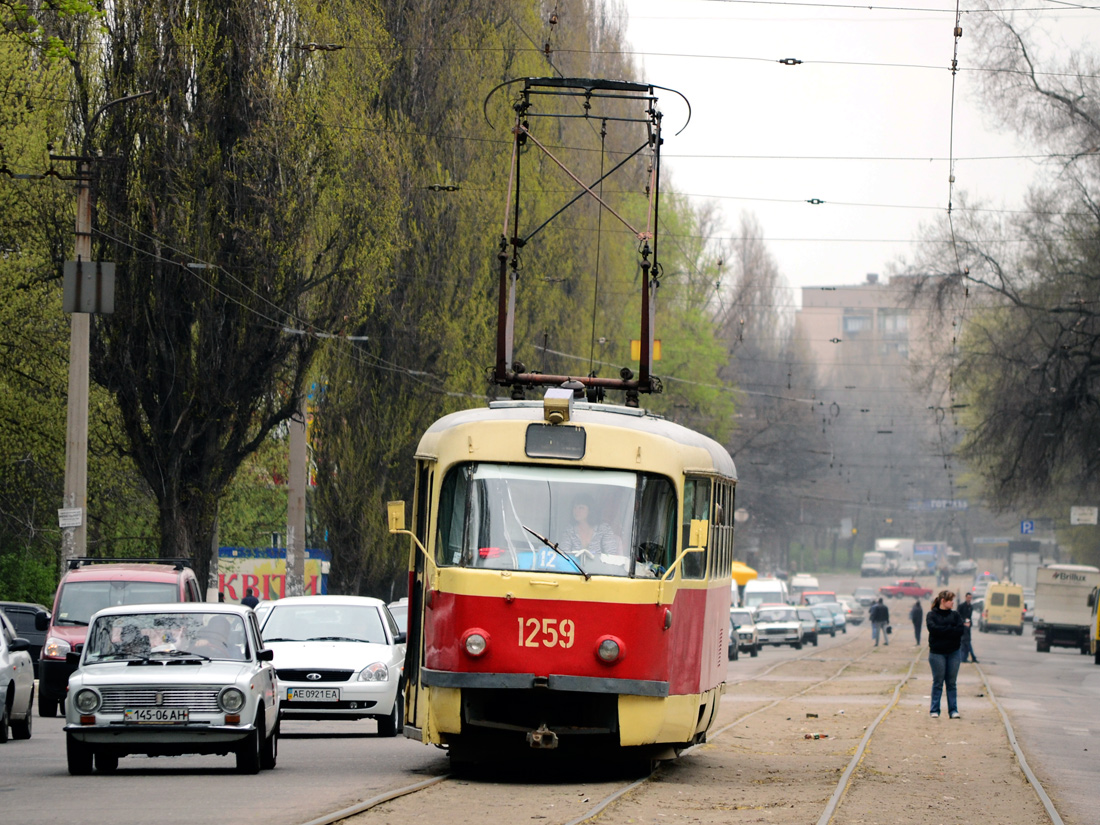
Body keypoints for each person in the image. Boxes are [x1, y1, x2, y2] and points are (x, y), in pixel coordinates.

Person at [926, 589, 965, 718]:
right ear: (943, 601)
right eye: (950, 600)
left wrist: (944, 630)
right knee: (938, 682)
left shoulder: (955, 615)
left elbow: (960, 630)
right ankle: (934, 710)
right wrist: (950, 630)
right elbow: (933, 629)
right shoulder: (932, 615)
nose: (953, 602)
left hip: (954, 652)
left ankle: (953, 710)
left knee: (951, 683)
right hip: (937, 653)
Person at [559, 495, 619, 559]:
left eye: (581, 508)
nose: (576, 511)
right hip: (574, 565)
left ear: (590, 510)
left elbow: (611, 555)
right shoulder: (569, 530)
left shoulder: (604, 529)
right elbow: (564, 555)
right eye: (574, 507)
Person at [957, 591, 979, 663]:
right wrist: (963, 622)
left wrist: (969, 624)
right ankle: (970, 657)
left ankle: (965, 657)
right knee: (964, 642)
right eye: (968, 597)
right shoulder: (961, 606)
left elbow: (969, 617)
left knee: (967, 642)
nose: (969, 599)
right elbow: (958, 616)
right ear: (966, 597)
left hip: (968, 627)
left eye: (970, 598)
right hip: (962, 627)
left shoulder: (971, 607)